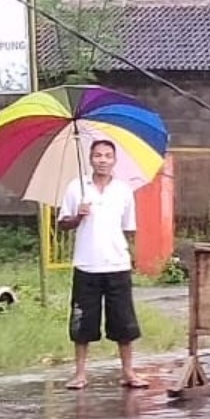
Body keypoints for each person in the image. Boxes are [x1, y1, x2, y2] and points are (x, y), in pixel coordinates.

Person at [56, 139, 146, 391]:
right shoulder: (77, 188)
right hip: (86, 265)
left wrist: (131, 257)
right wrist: (78, 216)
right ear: (90, 159)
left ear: (115, 160)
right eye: (98, 155)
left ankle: (128, 371)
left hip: (117, 264)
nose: (103, 160)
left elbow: (129, 228)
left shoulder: (123, 190)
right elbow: (62, 223)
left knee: (124, 322)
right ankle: (80, 373)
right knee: (82, 322)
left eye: (108, 156)